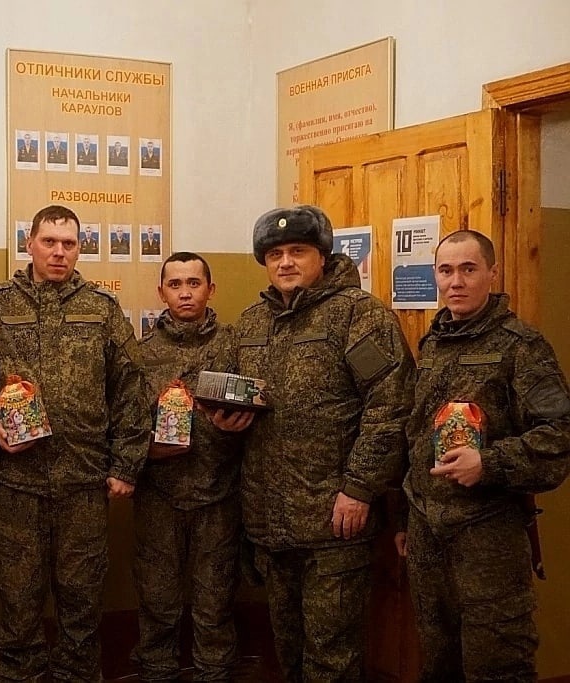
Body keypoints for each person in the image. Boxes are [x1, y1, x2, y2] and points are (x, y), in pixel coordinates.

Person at [0, 204, 150, 682]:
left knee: (81, 603)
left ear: (80, 248)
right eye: (49, 241)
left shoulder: (101, 308)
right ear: (29, 244)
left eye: (68, 243)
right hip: (17, 484)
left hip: (83, 484)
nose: (59, 252)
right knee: (18, 600)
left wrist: (126, 465)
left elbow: (130, 388)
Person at [229, 205, 414, 682]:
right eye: (275, 254)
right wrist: (226, 421)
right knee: (288, 650)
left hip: (335, 521)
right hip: (270, 523)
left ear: (323, 256)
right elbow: (235, 398)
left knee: (332, 656)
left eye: (298, 251)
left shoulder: (358, 316)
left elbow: (390, 405)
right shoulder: (251, 324)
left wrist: (359, 487)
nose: (286, 262)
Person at [395, 230, 570, 681]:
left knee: (497, 663)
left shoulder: (520, 345)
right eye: (446, 270)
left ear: (492, 273)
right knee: (438, 662)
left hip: (488, 534)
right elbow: (415, 437)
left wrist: (489, 463)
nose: (456, 281)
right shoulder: (432, 344)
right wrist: (404, 517)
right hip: (427, 532)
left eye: (468, 269)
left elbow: (560, 433)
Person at [133, 252, 249, 681]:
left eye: (194, 283)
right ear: (161, 292)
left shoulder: (235, 346)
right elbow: (124, 423)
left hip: (219, 492)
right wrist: (147, 450)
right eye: (175, 284)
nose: (185, 293)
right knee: (157, 597)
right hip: (158, 494)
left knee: (215, 598)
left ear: (210, 289)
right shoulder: (140, 354)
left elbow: (259, 406)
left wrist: (235, 426)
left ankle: (214, 671)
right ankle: (156, 670)